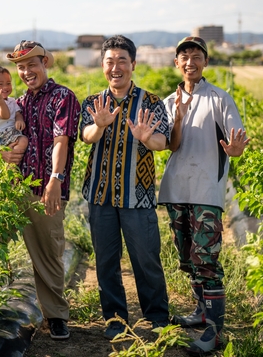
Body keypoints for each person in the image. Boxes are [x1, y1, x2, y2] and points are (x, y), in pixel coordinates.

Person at [158, 36, 249, 355]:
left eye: (196, 56)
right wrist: (178, 120)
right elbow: (169, 144)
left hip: (206, 190)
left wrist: (236, 150)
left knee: (206, 260)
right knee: (187, 258)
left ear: (205, 62)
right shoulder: (170, 102)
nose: (190, 62)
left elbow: (237, 142)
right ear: (177, 63)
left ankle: (215, 329)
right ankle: (200, 311)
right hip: (176, 188)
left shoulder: (219, 99)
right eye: (184, 56)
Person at [80, 35, 170, 340]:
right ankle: (115, 318)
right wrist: (101, 124)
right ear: (103, 65)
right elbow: (86, 136)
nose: (115, 67)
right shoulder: (93, 103)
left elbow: (163, 142)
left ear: (133, 64)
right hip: (100, 194)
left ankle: (157, 316)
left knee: (146, 258)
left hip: (138, 194)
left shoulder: (152, 102)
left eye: (122, 60)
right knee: (106, 261)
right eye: (109, 61)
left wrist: (147, 137)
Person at [3, 40, 80, 340]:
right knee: (10, 247)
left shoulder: (63, 97)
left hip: (46, 188)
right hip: (18, 187)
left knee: (48, 250)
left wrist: (55, 179)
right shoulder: (20, 103)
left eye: (31, 64)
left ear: (45, 62)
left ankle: (56, 316)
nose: (26, 71)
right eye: (20, 67)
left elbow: (62, 140)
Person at [0, 65, 28, 153]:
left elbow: (17, 112)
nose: (5, 87)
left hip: (10, 133)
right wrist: (0, 101)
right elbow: (5, 116)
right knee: (23, 140)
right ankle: (11, 162)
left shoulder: (11, 101)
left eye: (8, 83)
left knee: (23, 140)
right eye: (0, 84)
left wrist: (19, 119)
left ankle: (11, 159)